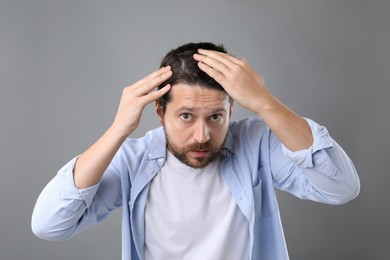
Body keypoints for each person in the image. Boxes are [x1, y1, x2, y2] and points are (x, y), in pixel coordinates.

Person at [32, 42, 360, 260]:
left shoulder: (255, 143)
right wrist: (118, 129)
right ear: (160, 112)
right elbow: (49, 224)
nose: (202, 135)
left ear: (232, 109)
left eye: (216, 116)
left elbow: (341, 187)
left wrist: (263, 100)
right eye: (186, 116)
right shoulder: (135, 159)